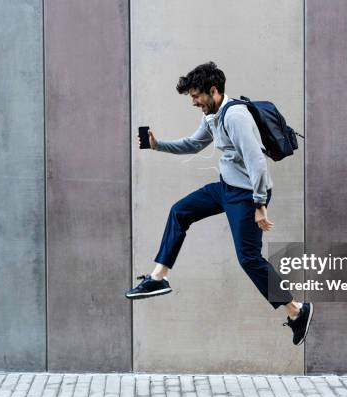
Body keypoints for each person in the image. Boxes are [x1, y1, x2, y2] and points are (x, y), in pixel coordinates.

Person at [125, 61, 314, 346]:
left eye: (196, 96)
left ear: (213, 91)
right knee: (180, 212)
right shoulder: (213, 116)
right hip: (225, 189)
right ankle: (159, 277)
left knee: (249, 260)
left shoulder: (235, 116)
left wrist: (260, 204)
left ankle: (297, 310)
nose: (194, 102)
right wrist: (157, 144)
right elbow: (193, 143)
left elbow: (257, 163)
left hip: (246, 195)